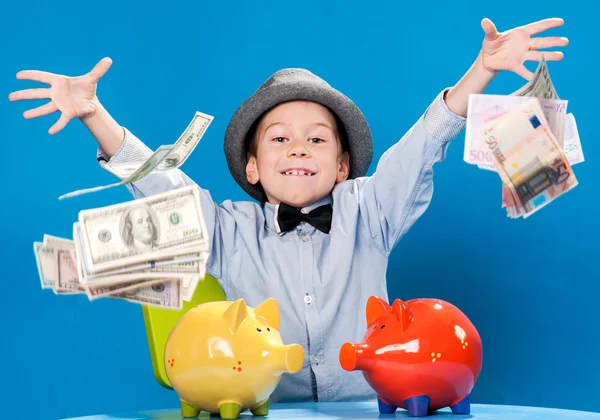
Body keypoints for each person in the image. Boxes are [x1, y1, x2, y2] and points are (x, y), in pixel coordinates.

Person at [9, 17, 568, 405]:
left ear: (343, 166)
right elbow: (161, 185)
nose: (298, 148)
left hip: (365, 408)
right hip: (261, 408)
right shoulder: (226, 228)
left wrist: (483, 70)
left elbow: (424, 143)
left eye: (317, 140)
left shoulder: (369, 208)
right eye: (278, 139)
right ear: (252, 168)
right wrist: (92, 114)